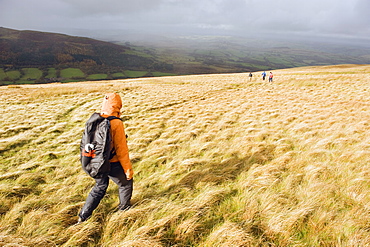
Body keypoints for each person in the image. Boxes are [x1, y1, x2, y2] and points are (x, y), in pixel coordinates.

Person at [78, 93, 134, 223]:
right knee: (126, 184)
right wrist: (127, 169)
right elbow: (122, 150)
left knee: (100, 187)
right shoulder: (116, 123)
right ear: (117, 106)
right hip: (112, 163)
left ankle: (83, 216)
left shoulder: (95, 119)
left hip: (95, 162)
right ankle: (124, 211)